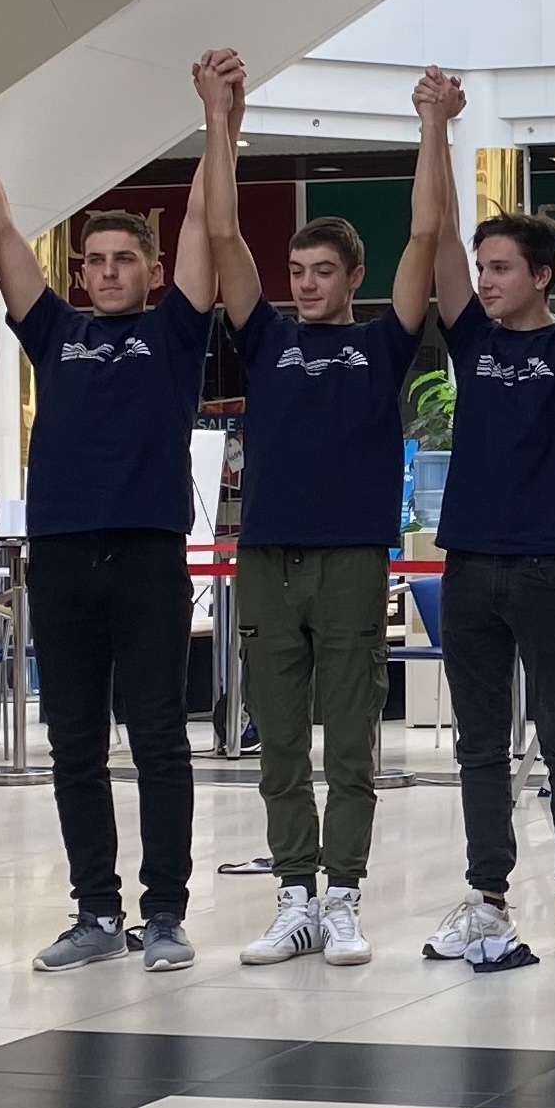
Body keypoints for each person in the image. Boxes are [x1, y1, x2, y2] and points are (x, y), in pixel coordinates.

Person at [0, 86, 218, 975]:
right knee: (74, 741)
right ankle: (94, 909)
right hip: (64, 558)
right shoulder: (56, 330)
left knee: (156, 735)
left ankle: (164, 912)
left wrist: (218, 120)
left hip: (147, 556)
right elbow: (1, 236)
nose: (110, 271)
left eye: (126, 259)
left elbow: (205, 225)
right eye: (97, 261)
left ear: (151, 270)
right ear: (81, 273)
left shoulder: (174, 332)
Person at [221, 57, 432, 971]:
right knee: (277, 743)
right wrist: (221, 120)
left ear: (353, 277)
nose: (305, 284)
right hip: (268, 558)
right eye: (297, 271)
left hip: (350, 558)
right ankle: (294, 895)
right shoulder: (265, 338)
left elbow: (424, 235)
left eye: (321, 272)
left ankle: (343, 894)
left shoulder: (382, 344)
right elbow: (222, 234)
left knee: (349, 738)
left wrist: (432, 128)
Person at [419, 67, 555, 969]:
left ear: (541, 276)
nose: (486, 280)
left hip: (550, 566)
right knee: (478, 744)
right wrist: (435, 125)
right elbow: (434, 237)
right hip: (469, 565)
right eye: (483, 267)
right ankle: (487, 895)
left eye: (502, 268)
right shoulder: (473, 339)